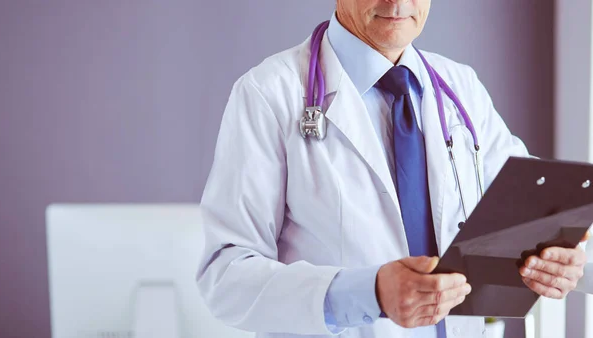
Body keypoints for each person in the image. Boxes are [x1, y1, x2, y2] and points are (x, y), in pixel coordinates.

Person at [196, 1, 592, 337]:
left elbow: (530, 209)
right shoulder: (269, 94)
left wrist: (561, 255)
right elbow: (226, 276)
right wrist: (368, 293)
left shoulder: (461, 87)